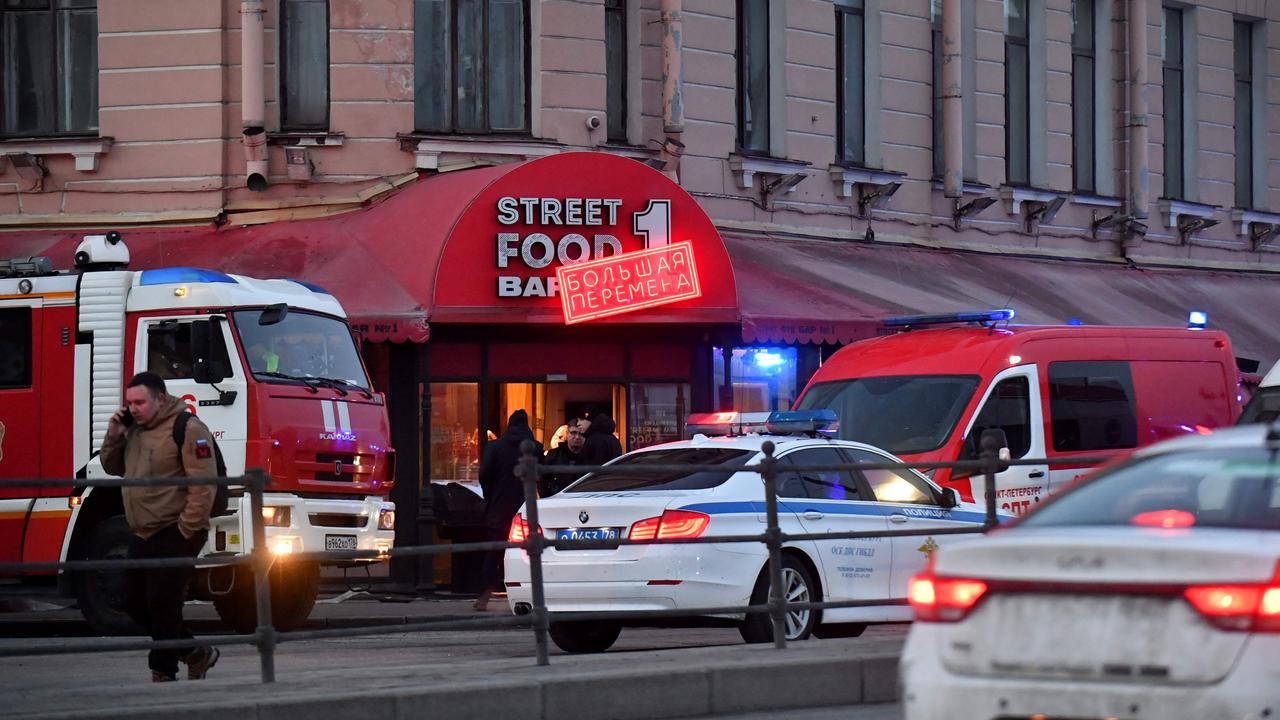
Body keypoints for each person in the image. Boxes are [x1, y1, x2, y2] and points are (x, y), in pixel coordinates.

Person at [100, 372, 220, 682]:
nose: (134, 408)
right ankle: (195, 652)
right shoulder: (133, 430)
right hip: (143, 530)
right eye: (130, 403)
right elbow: (112, 467)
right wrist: (114, 435)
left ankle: (163, 671)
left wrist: (186, 529)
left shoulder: (188, 428)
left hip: (175, 528)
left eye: (140, 402)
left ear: (160, 399)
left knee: (162, 603)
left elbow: (203, 484)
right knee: (131, 601)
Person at [474, 409, 542, 611]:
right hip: (526, 508)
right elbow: (543, 478)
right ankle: (530, 595)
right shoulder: (536, 448)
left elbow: (484, 475)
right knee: (529, 553)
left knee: (493, 553)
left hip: (499, 507)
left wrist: (491, 495)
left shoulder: (495, 447)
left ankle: (484, 595)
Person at [539, 417, 587, 497]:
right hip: (558, 502)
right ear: (567, 434)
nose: (577, 437)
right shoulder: (554, 455)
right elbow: (542, 481)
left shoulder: (590, 456)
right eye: (573, 433)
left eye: (581, 434)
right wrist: (548, 499)